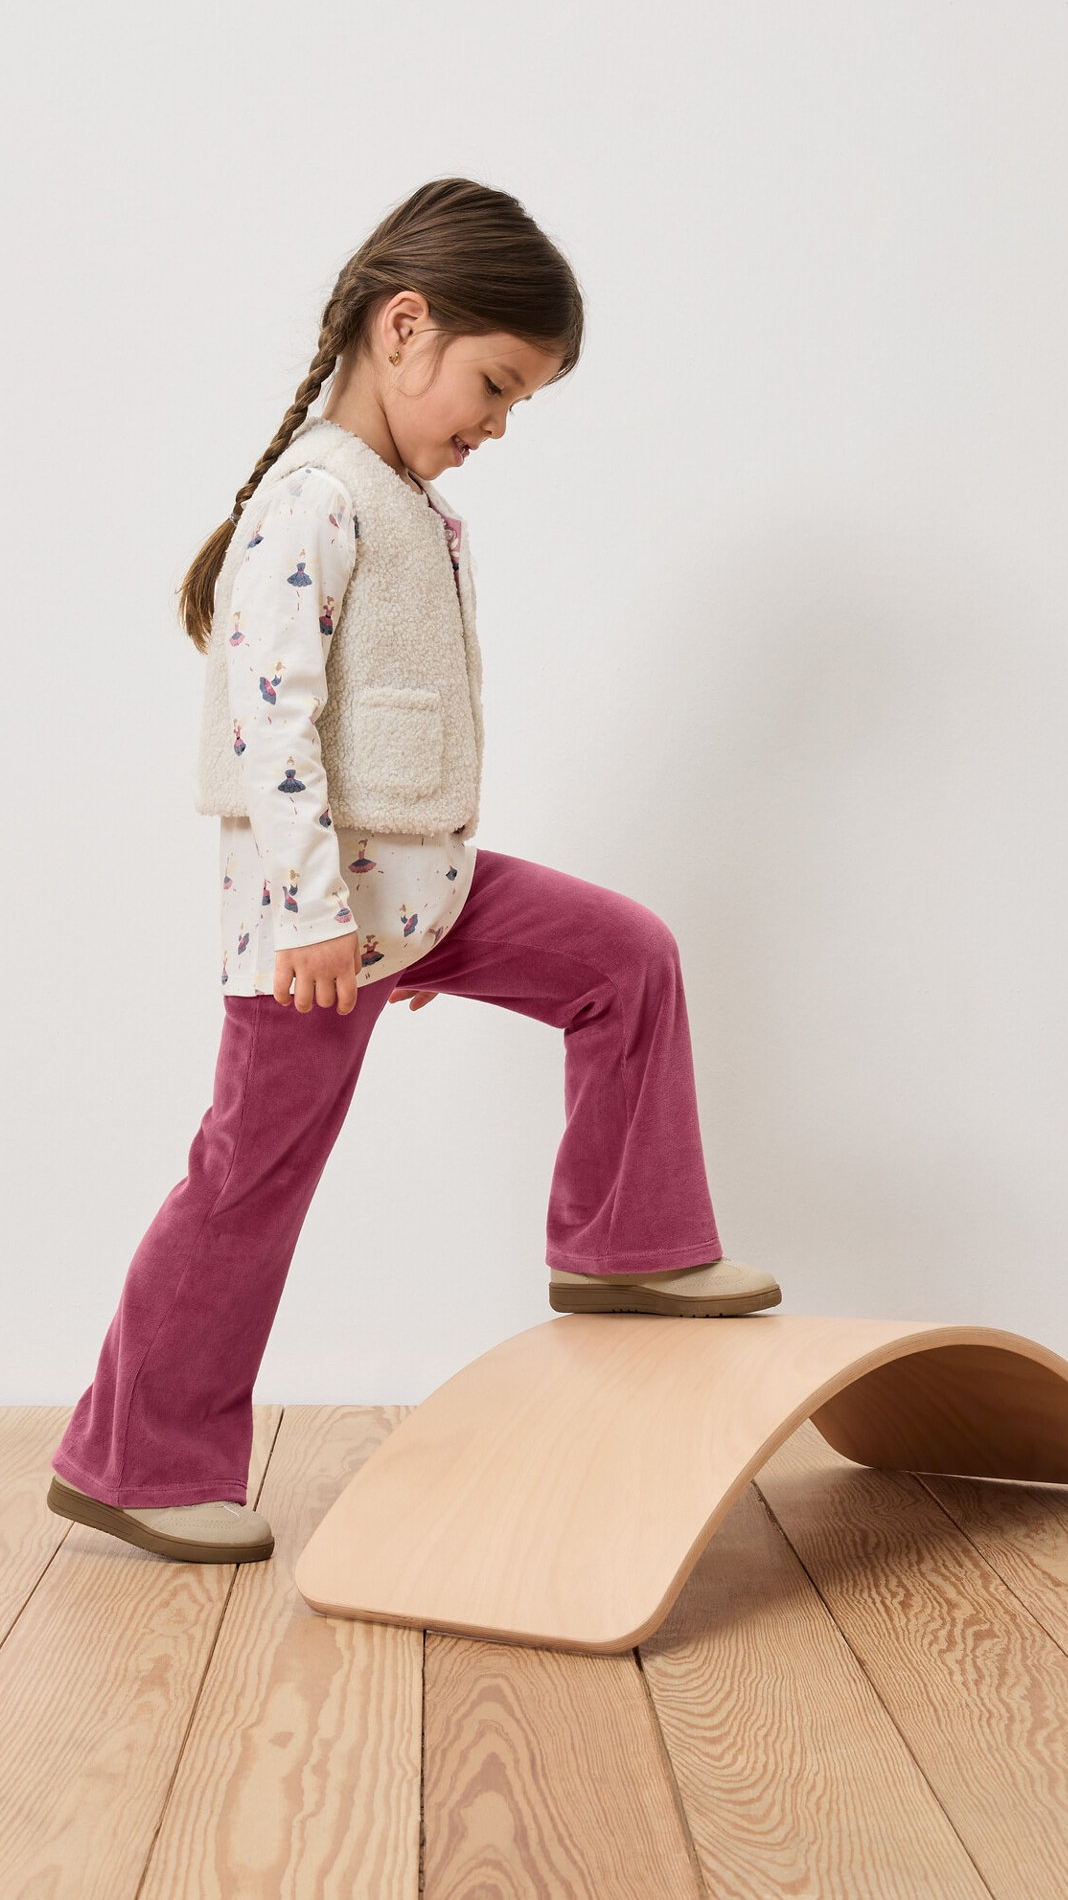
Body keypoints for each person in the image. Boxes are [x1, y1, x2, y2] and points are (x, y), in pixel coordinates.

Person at [48, 178, 781, 1565]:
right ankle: (132, 1454)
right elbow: (271, 723)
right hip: (312, 926)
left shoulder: (392, 497)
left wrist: (423, 919)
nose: (495, 427)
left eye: (519, 406)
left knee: (625, 956)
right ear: (404, 328)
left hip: (407, 901)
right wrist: (329, 921)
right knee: (248, 1176)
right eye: (493, 386)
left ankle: (624, 1242)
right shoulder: (314, 501)